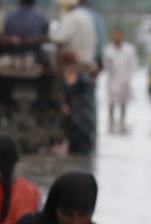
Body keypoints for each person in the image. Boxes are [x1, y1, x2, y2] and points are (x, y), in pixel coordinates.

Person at [50, 0, 100, 154]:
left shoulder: (70, 18)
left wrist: (51, 31)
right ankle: (85, 151)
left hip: (74, 71)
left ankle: (78, 150)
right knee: (86, 112)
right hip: (88, 69)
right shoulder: (88, 17)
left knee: (74, 112)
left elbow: (59, 38)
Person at [102, 26, 138, 133]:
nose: (117, 37)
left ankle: (122, 123)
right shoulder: (108, 50)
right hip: (112, 80)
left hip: (125, 80)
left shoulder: (129, 50)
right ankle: (111, 123)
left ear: (122, 36)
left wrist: (127, 78)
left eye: (119, 34)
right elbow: (106, 66)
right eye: (115, 34)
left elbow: (133, 65)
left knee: (123, 103)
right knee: (111, 103)